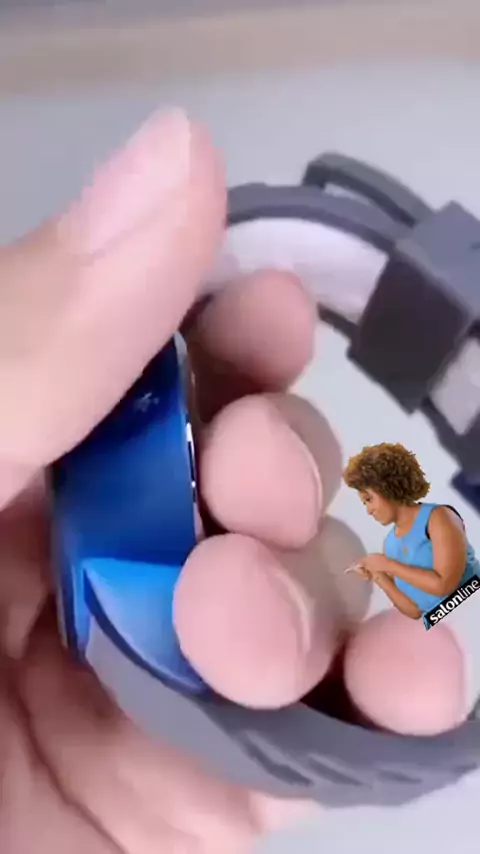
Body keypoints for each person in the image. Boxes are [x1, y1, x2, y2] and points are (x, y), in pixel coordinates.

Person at [343, 442, 480, 623]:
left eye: (369, 499)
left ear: (387, 487)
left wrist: (388, 565)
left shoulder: (438, 517)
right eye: (364, 503)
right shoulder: (390, 544)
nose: (369, 510)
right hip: (445, 631)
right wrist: (378, 574)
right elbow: (415, 611)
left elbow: (445, 586)